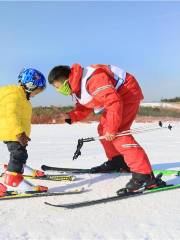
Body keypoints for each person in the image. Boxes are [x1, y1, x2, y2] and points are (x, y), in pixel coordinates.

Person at [48, 63, 157, 192]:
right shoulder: (77, 86)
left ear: (65, 79)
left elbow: (113, 102)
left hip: (128, 93)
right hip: (117, 98)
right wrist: (69, 116)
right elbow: (84, 107)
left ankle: (144, 174)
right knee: (102, 130)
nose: (59, 90)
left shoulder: (93, 79)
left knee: (118, 134)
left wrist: (112, 128)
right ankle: (118, 161)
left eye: (58, 87)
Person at [0, 68, 48, 196]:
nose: (36, 94)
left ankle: (16, 170)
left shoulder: (21, 96)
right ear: (30, 86)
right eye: (36, 91)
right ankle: (13, 178)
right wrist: (19, 132)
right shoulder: (14, 96)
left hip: (16, 131)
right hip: (12, 131)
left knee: (20, 153)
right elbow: (11, 115)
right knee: (18, 154)